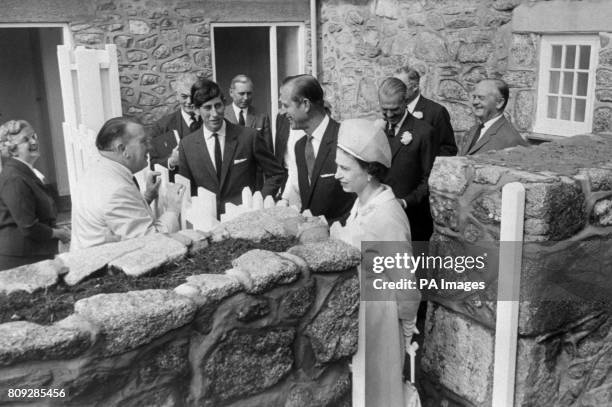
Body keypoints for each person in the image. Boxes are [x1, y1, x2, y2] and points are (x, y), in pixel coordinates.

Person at [330, 118, 420, 407]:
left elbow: (406, 284)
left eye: (345, 168)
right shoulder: (361, 203)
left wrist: (405, 337)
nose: (336, 175)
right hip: (361, 318)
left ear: (369, 171)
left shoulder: (387, 216)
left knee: (378, 393)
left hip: (380, 323)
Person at [71, 117, 184, 250]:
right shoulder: (117, 190)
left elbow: (116, 220)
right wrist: (172, 209)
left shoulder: (98, 170)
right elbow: (152, 243)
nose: (150, 146)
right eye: (143, 142)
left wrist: (146, 198)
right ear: (122, 149)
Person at [177, 78, 286, 216]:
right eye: (207, 108)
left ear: (224, 104)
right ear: (197, 110)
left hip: (245, 219)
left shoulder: (248, 137)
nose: (214, 114)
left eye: (218, 106)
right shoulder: (187, 146)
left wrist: (259, 201)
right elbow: (187, 190)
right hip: (208, 221)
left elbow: (276, 173)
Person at [278, 74, 354, 223]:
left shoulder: (344, 138)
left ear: (305, 104)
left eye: (286, 105)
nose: (282, 112)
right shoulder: (300, 147)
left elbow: (360, 201)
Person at [0, 120, 70, 270]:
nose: (33, 142)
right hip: (21, 259)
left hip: (33, 253)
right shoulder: (15, 178)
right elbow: (28, 227)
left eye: (34, 136)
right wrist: (58, 233)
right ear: (12, 150)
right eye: (26, 140)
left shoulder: (25, 172)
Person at [378, 77, 436, 242]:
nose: (389, 115)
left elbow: (429, 180)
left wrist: (404, 202)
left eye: (394, 109)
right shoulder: (379, 130)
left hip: (412, 219)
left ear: (405, 102)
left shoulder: (424, 132)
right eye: (384, 109)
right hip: (382, 218)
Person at [394, 66, 458, 157]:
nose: (395, 90)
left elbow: (449, 149)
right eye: (393, 85)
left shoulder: (436, 112)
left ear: (415, 86)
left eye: (399, 86)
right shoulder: (391, 111)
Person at [149, 73, 201, 180]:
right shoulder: (162, 126)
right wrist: (171, 162)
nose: (189, 101)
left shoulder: (210, 121)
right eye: (184, 96)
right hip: (179, 188)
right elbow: (152, 164)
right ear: (177, 96)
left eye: (193, 96)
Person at [225, 74, 273, 189]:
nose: (246, 98)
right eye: (241, 94)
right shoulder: (222, 115)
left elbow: (268, 152)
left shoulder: (261, 116)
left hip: (255, 180)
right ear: (231, 92)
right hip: (229, 179)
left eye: (249, 93)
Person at [461, 78, 530, 155]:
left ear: (499, 103)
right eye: (474, 97)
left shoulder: (511, 140)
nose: (475, 102)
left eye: (481, 98)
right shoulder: (474, 130)